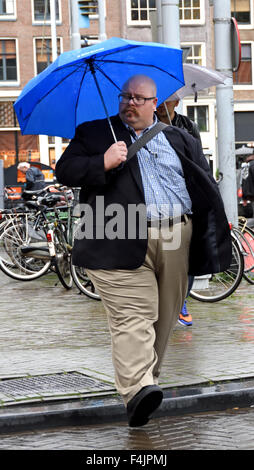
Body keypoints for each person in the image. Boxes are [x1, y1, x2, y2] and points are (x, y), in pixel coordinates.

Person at [55, 74, 231, 427]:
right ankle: (138, 389)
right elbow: (65, 171)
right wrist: (101, 162)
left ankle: (145, 384)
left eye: (139, 98)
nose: (130, 103)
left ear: (156, 103)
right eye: (125, 97)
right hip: (117, 234)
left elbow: (201, 182)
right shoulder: (95, 133)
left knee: (164, 318)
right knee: (134, 317)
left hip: (176, 236)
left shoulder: (180, 137)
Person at [157, 98, 201, 326]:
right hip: (158, 202)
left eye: (166, 99)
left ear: (175, 101)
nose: (160, 104)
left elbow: (198, 159)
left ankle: (181, 300)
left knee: (187, 257)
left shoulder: (188, 126)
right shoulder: (147, 126)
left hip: (185, 197)